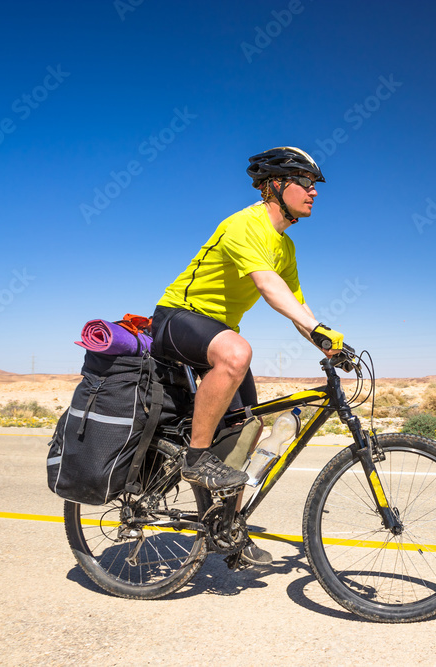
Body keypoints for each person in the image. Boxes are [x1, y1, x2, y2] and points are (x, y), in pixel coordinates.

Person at [151, 146, 344, 566]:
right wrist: (316, 330)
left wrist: (330, 345)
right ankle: (196, 458)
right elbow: (268, 288)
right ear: (275, 185)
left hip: (213, 335)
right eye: (306, 183)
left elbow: (296, 304)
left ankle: (225, 531)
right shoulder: (244, 224)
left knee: (246, 431)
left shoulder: (285, 247)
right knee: (238, 352)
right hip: (178, 320)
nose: (314, 192)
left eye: (315, 185)